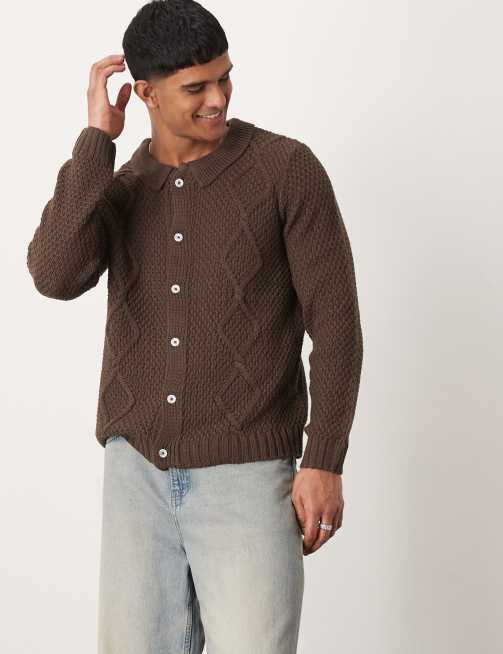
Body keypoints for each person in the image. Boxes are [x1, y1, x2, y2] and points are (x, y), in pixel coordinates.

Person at [26, 1, 363, 652]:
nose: (218, 99)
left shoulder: (285, 169)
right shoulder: (122, 187)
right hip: (136, 481)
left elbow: (337, 324)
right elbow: (54, 274)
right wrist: (97, 140)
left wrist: (324, 458)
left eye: (224, 77)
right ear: (145, 93)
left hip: (249, 477)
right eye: (195, 88)